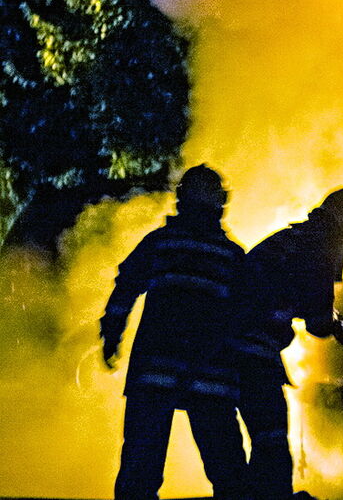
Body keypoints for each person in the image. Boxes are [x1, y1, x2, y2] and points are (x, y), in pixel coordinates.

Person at [100, 165, 247, 500]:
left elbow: (125, 289)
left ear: (181, 199)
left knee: (140, 472)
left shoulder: (161, 242)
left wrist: (112, 335)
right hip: (211, 377)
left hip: (155, 374)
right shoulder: (232, 255)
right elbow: (245, 315)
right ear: (220, 203)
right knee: (229, 473)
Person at [234, 187, 343, 499]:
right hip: (252, 347)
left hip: (232, 344)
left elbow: (307, 303)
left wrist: (333, 319)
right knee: (271, 433)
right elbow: (319, 324)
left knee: (249, 438)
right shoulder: (321, 246)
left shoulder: (295, 239)